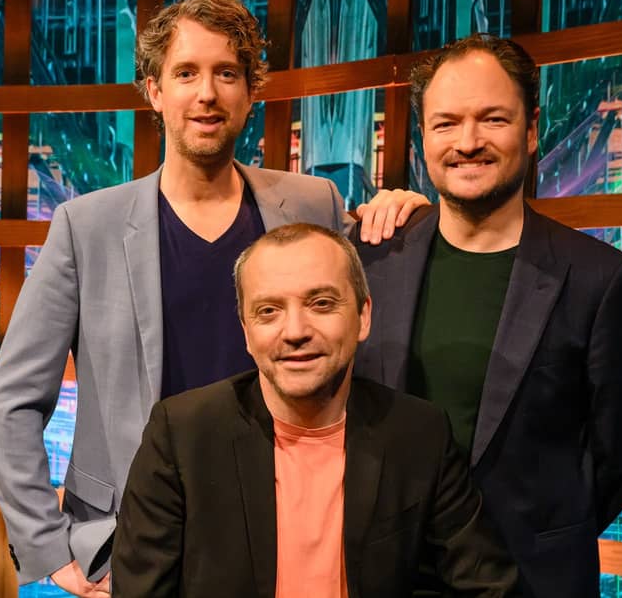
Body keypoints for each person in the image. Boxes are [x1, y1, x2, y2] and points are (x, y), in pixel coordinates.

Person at [0, 0, 426, 596]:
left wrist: (400, 211)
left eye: (227, 74)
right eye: (186, 73)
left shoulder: (312, 203)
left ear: (250, 92)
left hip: (292, 532)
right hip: (135, 541)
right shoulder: (86, 227)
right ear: (155, 91)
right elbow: (11, 401)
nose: (207, 94)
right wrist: (47, 546)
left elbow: (356, 319)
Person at [352, 34, 622, 597]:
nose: (468, 142)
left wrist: (550, 529)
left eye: (492, 119)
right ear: (423, 136)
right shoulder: (372, 260)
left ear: (531, 128)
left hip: (532, 579)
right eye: (446, 123)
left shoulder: (599, 279)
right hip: (389, 577)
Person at [111, 224, 520, 598]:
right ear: (246, 332)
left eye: (321, 303)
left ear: (363, 316)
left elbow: (488, 587)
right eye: (268, 311)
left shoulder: (419, 434)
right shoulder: (181, 434)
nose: (295, 331)